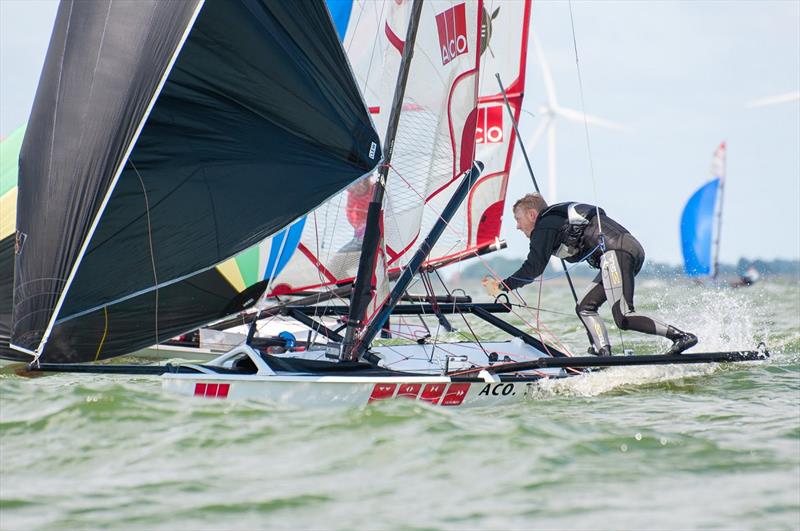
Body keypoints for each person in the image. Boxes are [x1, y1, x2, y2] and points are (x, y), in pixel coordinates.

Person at [482, 193, 698, 356]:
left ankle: (681, 337)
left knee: (623, 316)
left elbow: (534, 267)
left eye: (518, 219)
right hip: (624, 251)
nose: (518, 226)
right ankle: (602, 352)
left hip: (615, 253)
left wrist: (503, 286)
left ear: (532, 214)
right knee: (584, 307)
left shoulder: (544, 224)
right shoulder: (554, 221)